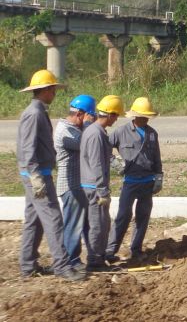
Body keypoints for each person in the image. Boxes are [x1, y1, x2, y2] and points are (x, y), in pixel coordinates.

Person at [16, 69, 87, 281]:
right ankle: (62, 266)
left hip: (36, 171)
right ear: (45, 90)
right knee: (54, 219)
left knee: (34, 219)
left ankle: (27, 265)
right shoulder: (34, 113)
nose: (55, 93)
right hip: (36, 174)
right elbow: (28, 147)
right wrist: (35, 175)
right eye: (53, 89)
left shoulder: (38, 111)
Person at [106, 96, 163, 262]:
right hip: (130, 182)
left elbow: (157, 158)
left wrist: (159, 177)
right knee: (123, 216)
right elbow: (105, 148)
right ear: (134, 116)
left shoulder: (152, 134)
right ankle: (110, 251)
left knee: (142, 217)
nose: (145, 119)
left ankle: (136, 249)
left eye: (147, 117)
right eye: (143, 116)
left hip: (147, 181)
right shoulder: (121, 132)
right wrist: (114, 163)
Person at [80, 94, 125, 271]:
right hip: (94, 188)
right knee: (98, 224)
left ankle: (98, 257)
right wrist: (102, 190)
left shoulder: (95, 131)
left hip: (92, 185)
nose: (116, 119)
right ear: (110, 114)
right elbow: (97, 164)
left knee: (102, 223)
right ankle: (95, 261)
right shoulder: (96, 133)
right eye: (116, 116)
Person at [53, 93, 96, 270]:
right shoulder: (66, 131)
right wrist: (88, 125)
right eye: (89, 117)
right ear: (80, 114)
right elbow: (86, 144)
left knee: (83, 223)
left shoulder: (72, 128)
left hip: (78, 185)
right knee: (73, 224)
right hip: (70, 186)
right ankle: (70, 260)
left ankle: (78, 258)